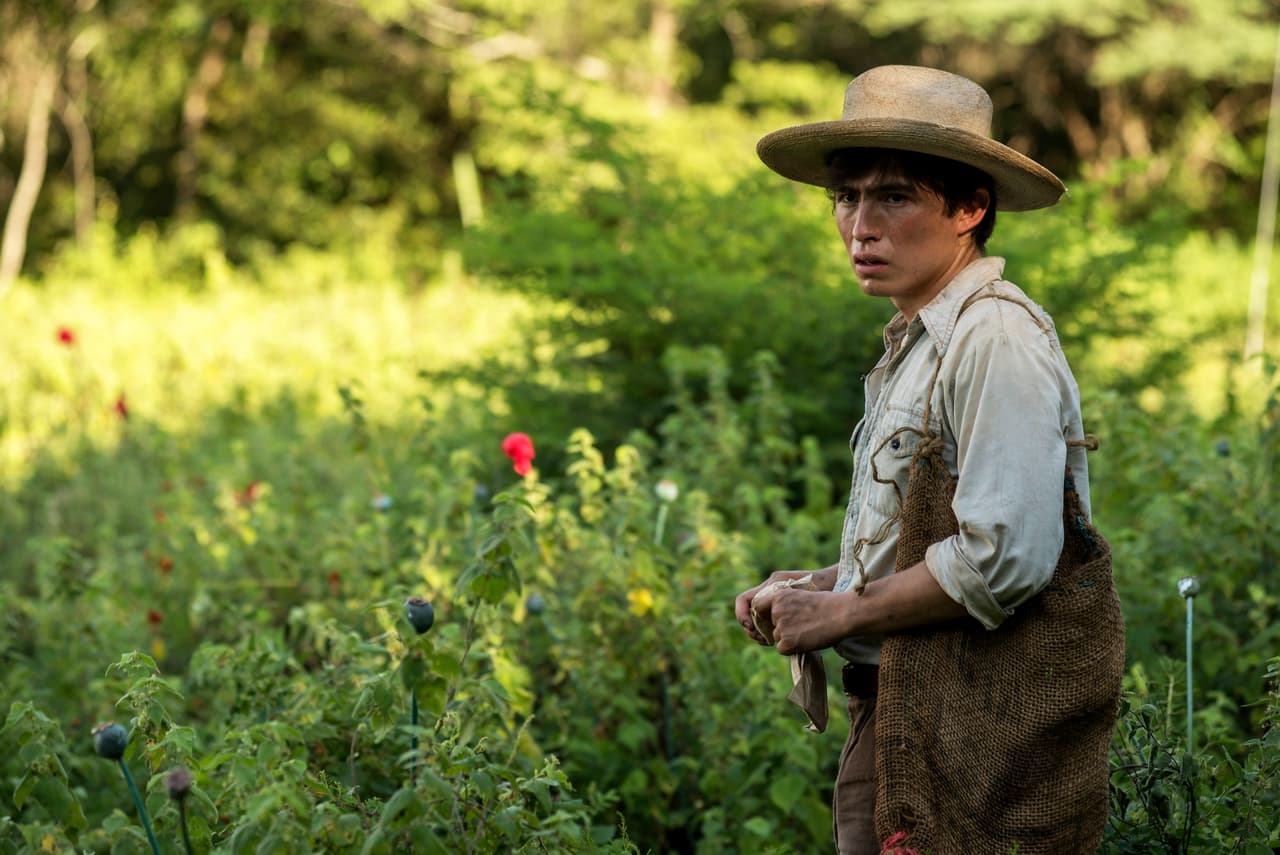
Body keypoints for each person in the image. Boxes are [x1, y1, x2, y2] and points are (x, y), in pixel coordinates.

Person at [735, 65, 1125, 854]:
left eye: (896, 196)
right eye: (847, 196)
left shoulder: (995, 337)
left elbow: (1005, 555)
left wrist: (843, 612)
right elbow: (927, 539)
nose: (859, 226)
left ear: (971, 208)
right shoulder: (920, 340)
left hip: (974, 735)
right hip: (912, 715)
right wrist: (820, 584)